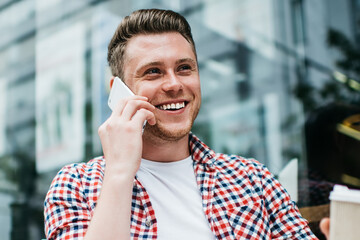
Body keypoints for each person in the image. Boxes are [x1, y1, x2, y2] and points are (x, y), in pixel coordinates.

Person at [44, 9, 319, 239]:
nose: (175, 84)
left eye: (185, 68)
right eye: (153, 72)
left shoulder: (254, 181)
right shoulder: (74, 185)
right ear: (118, 92)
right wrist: (118, 172)